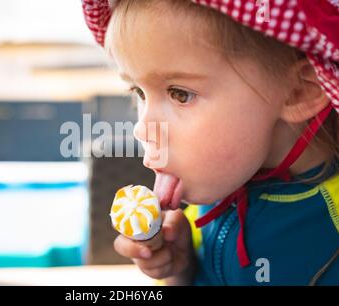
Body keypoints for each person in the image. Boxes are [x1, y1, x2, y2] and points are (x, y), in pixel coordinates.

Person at [82, 0, 339, 285]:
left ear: (300, 92)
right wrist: (182, 270)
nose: (142, 130)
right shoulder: (217, 190)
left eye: (180, 94)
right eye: (139, 92)